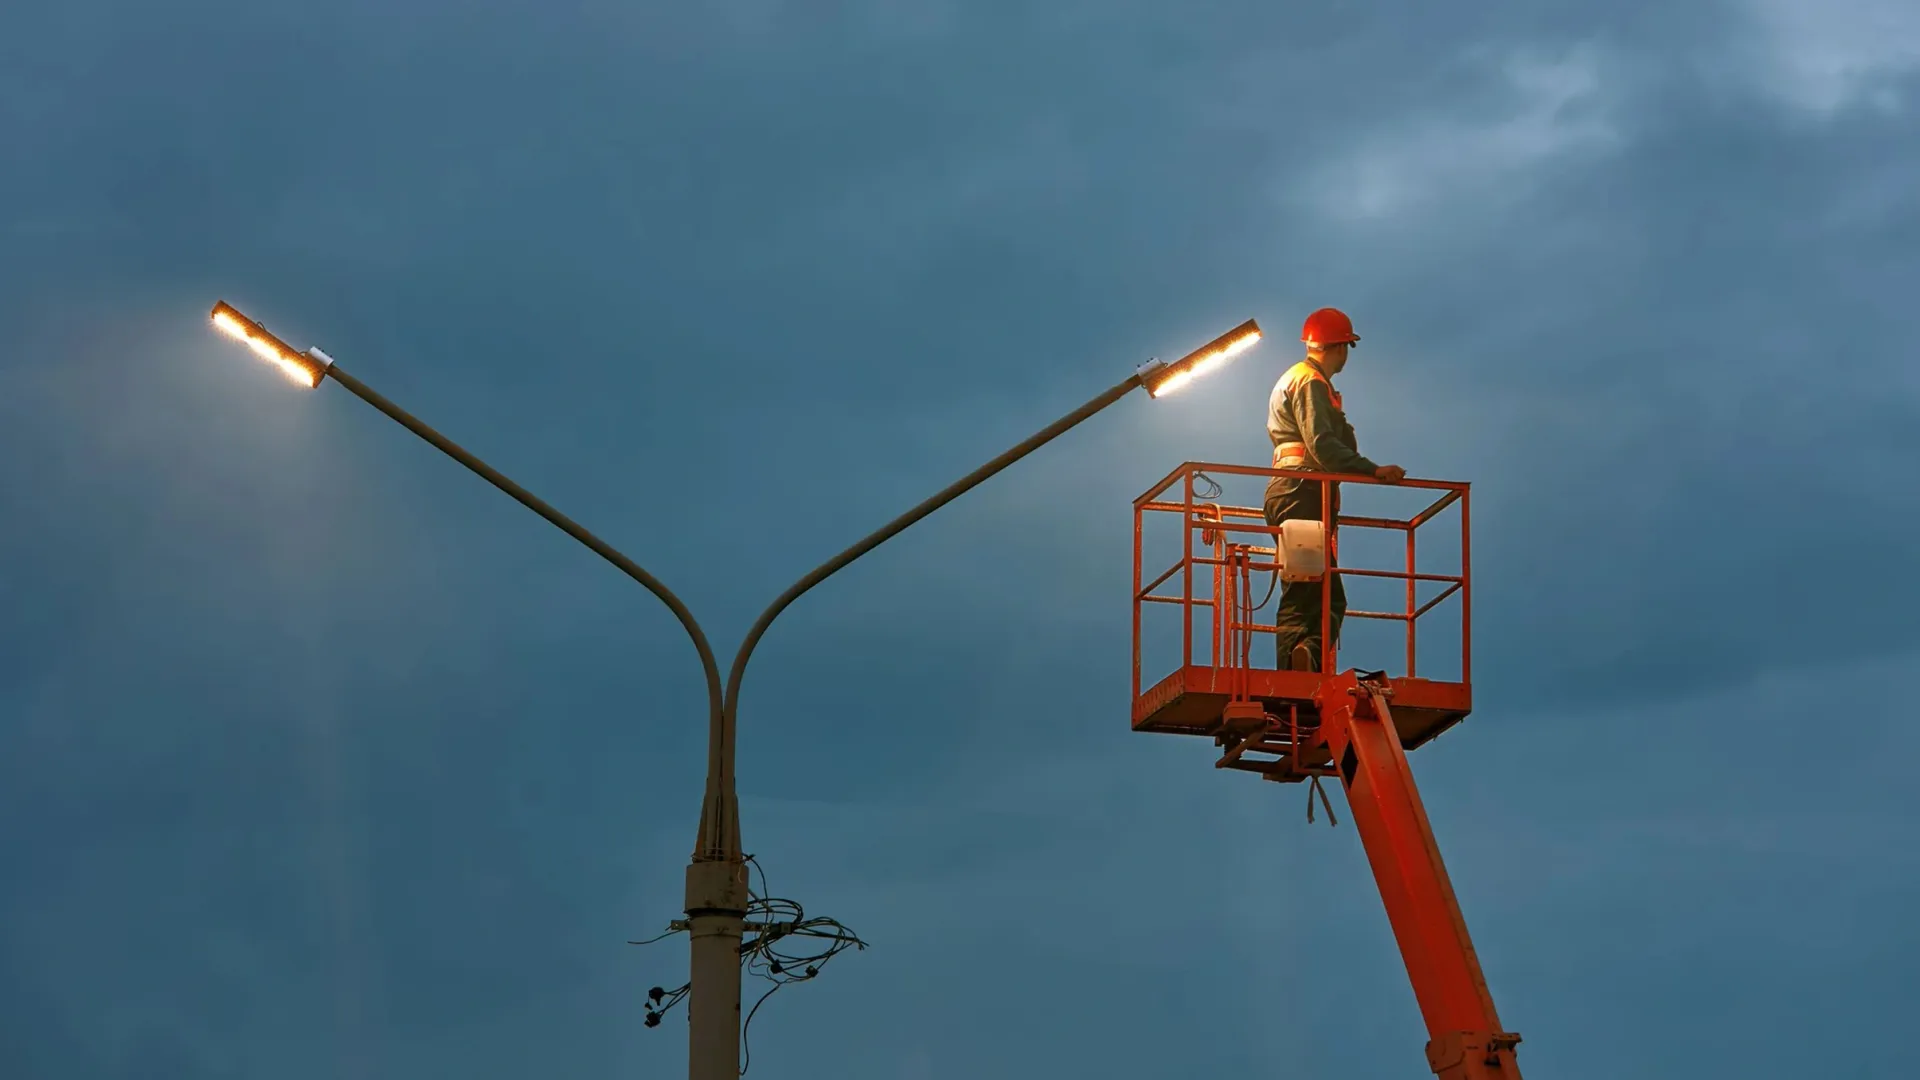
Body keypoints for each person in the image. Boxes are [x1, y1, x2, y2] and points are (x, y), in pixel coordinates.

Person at [1264, 307, 1406, 672]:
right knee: (1312, 593)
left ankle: (1304, 661)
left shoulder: (1295, 378)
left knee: (1316, 590)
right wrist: (1372, 470)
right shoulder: (1310, 382)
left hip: (1292, 490)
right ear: (1341, 347)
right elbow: (1322, 444)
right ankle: (1299, 670)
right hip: (1303, 490)